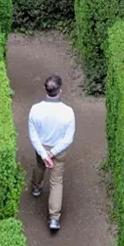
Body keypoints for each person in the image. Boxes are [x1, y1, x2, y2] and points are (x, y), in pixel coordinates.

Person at [28, 74, 75, 231]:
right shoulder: (68, 112)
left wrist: (44, 154)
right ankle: (54, 218)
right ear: (60, 90)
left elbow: (33, 135)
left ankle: (36, 187)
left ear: (45, 89)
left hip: (41, 147)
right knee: (56, 182)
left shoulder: (35, 109)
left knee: (39, 166)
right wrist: (53, 153)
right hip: (59, 151)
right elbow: (68, 139)